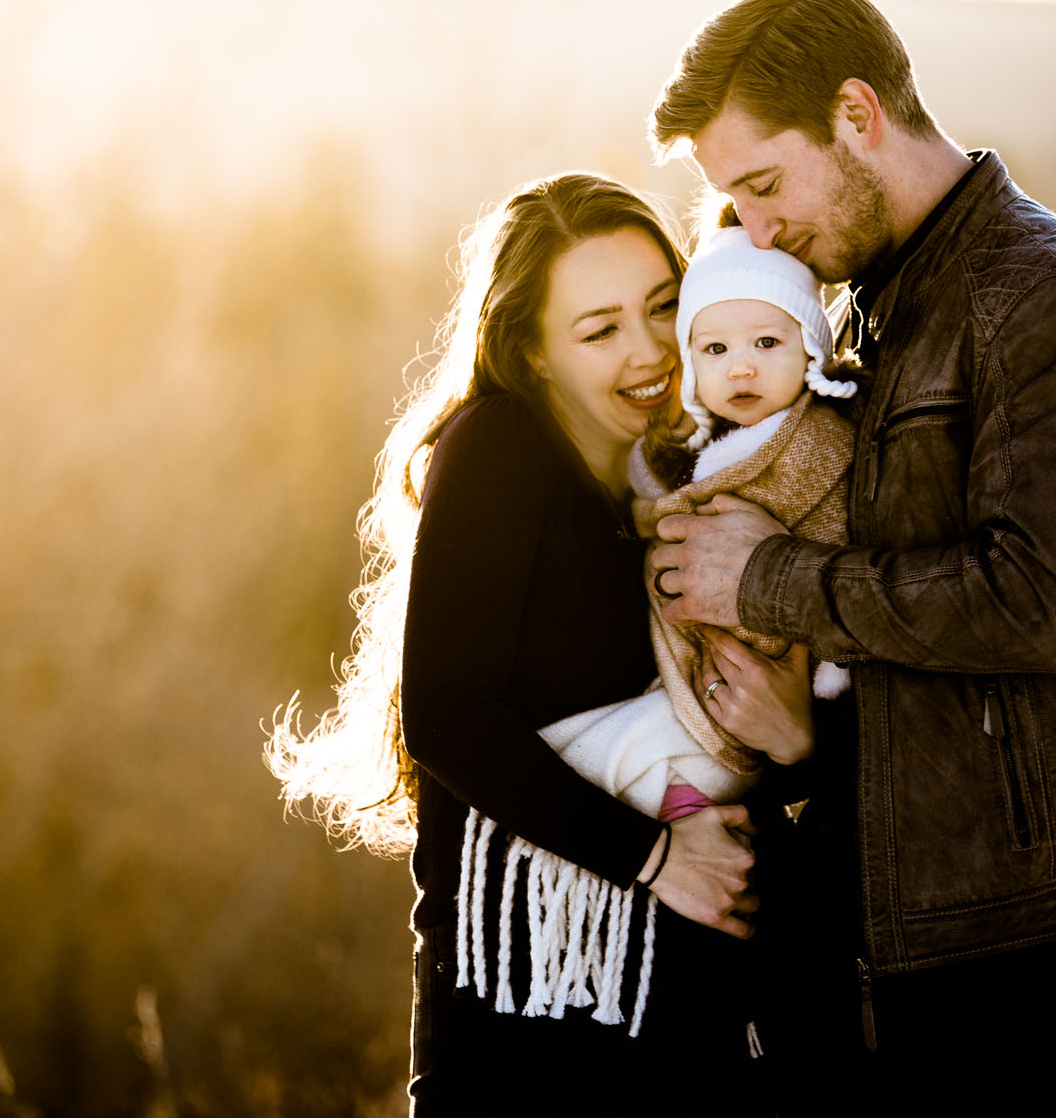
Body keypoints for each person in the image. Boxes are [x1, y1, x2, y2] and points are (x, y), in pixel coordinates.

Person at [646, 0, 1056, 1112]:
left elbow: (1032, 603)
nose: (755, 235)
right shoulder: (874, 302)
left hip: (1036, 922)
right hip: (922, 908)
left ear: (856, 114)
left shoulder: (1046, 294)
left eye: (763, 186)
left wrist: (761, 576)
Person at [264, 172, 783, 1115]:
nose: (649, 351)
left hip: (677, 1010)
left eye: (663, 309)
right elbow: (448, 716)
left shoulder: (683, 472)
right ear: (534, 353)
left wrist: (788, 738)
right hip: (526, 1021)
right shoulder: (501, 447)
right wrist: (660, 858)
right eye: (599, 330)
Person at [534, 218, 863, 833]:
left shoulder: (820, 445)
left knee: (644, 751)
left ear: (811, 353)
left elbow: (842, 546)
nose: (741, 369)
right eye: (715, 350)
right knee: (599, 745)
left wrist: (824, 677)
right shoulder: (669, 449)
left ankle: (672, 811)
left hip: (761, 670)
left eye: (767, 344)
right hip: (716, 679)